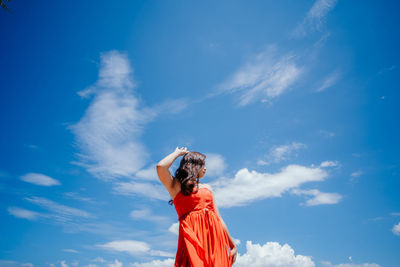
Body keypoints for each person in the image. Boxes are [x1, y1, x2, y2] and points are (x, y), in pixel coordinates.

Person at [156, 146, 237, 267]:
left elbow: (218, 218)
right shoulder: (176, 185)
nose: (205, 168)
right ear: (193, 165)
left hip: (214, 238)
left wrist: (232, 244)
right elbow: (161, 167)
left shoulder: (208, 188)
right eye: (202, 164)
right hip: (192, 235)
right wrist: (177, 154)